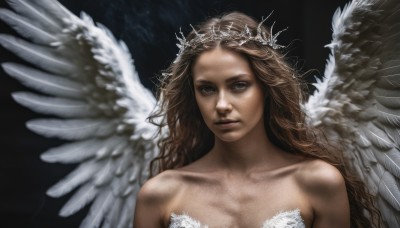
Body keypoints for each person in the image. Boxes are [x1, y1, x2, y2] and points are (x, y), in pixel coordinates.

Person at [134, 12, 380, 227]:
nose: (221, 105)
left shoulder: (317, 182)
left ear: (266, 86)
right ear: (193, 94)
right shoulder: (161, 195)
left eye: (239, 85)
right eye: (207, 89)